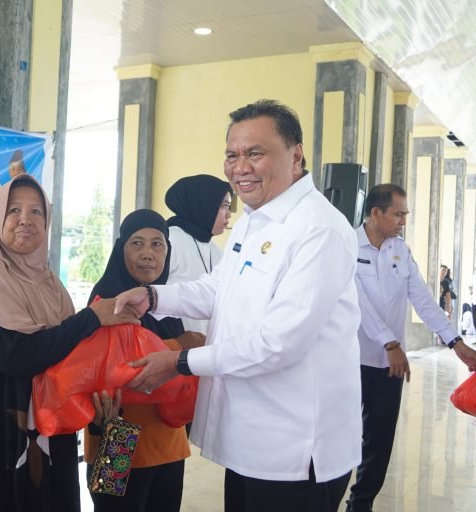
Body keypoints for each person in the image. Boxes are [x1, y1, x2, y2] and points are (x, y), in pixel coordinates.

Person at [114, 100, 362, 512]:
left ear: (295, 155)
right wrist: (156, 297)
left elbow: (279, 342)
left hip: (292, 448)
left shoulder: (319, 228)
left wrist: (178, 361)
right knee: (117, 497)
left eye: (254, 153)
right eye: (232, 155)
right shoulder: (254, 219)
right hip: (146, 435)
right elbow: (221, 288)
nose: (240, 167)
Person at [0, 174, 139, 512]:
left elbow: (77, 361)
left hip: (80, 429)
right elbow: (18, 356)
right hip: (7, 433)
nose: (25, 219)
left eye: (37, 212)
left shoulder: (52, 285)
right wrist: (91, 319)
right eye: (14, 210)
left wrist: (101, 410)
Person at [345, 184, 476, 512]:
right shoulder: (346, 245)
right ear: (376, 213)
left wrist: (455, 342)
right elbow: (356, 303)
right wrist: (389, 341)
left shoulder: (400, 250)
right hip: (350, 360)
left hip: (390, 365)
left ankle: (360, 505)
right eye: (398, 214)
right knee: (339, 438)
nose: (403, 220)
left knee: (379, 441)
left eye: (405, 214)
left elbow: (423, 299)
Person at [84, 209, 201, 512]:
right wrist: (183, 346)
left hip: (168, 442)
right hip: (117, 436)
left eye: (157, 244)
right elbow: (117, 367)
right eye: (137, 243)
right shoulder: (107, 299)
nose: (148, 253)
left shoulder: (167, 300)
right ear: (121, 249)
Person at [165, 174, 233, 335]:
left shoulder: (216, 251)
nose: (229, 214)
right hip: (171, 342)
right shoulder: (169, 241)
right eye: (224, 206)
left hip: (204, 346)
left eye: (229, 206)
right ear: (204, 204)